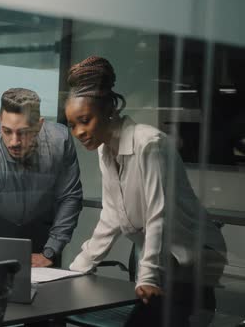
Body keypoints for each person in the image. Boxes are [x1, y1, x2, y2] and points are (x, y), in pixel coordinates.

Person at [65, 56, 227, 326]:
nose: (79, 132)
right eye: (72, 125)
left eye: (85, 120)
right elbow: (112, 216)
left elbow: (158, 213)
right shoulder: (106, 150)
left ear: (108, 110)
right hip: (167, 262)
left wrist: (148, 275)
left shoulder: (148, 144)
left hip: (193, 260)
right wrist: (79, 267)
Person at [0, 88, 83, 267]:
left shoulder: (60, 141)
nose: (14, 141)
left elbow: (70, 196)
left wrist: (51, 250)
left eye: (22, 132)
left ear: (39, 125)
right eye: (6, 131)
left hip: (42, 238)